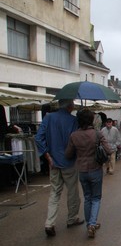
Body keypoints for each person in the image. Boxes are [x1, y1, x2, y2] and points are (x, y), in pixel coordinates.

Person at [35, 99, 83, 237]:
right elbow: (76, 142)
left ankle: (49, 223)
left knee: (54, 193)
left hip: (53, 162)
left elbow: (38, 138)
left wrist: (48, 156)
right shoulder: (74, 120)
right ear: (70, 106)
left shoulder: (48, 117)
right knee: (72, 192)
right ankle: (72, 218)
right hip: (69, 162)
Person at [65, 109, 112, 238]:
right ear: (91, 120)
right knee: (96, 197)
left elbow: (68, 154)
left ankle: (89, 225)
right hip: (95, 169)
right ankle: (92, 223)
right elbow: (108, 150)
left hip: (82, 170)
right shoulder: (97, 134)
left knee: (87, 197)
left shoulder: (74, 135)